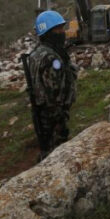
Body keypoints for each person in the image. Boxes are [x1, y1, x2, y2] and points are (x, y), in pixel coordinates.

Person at [23, 10, 77, 161]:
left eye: (62, 28)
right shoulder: (52, 58)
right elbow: (53, 92)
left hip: (42, 112)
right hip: (52, 115)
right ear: (47, 33)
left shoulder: (37, 53)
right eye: (57, 29)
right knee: (57, 154)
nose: (62, 32)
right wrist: (60, 116)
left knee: (47, 148)